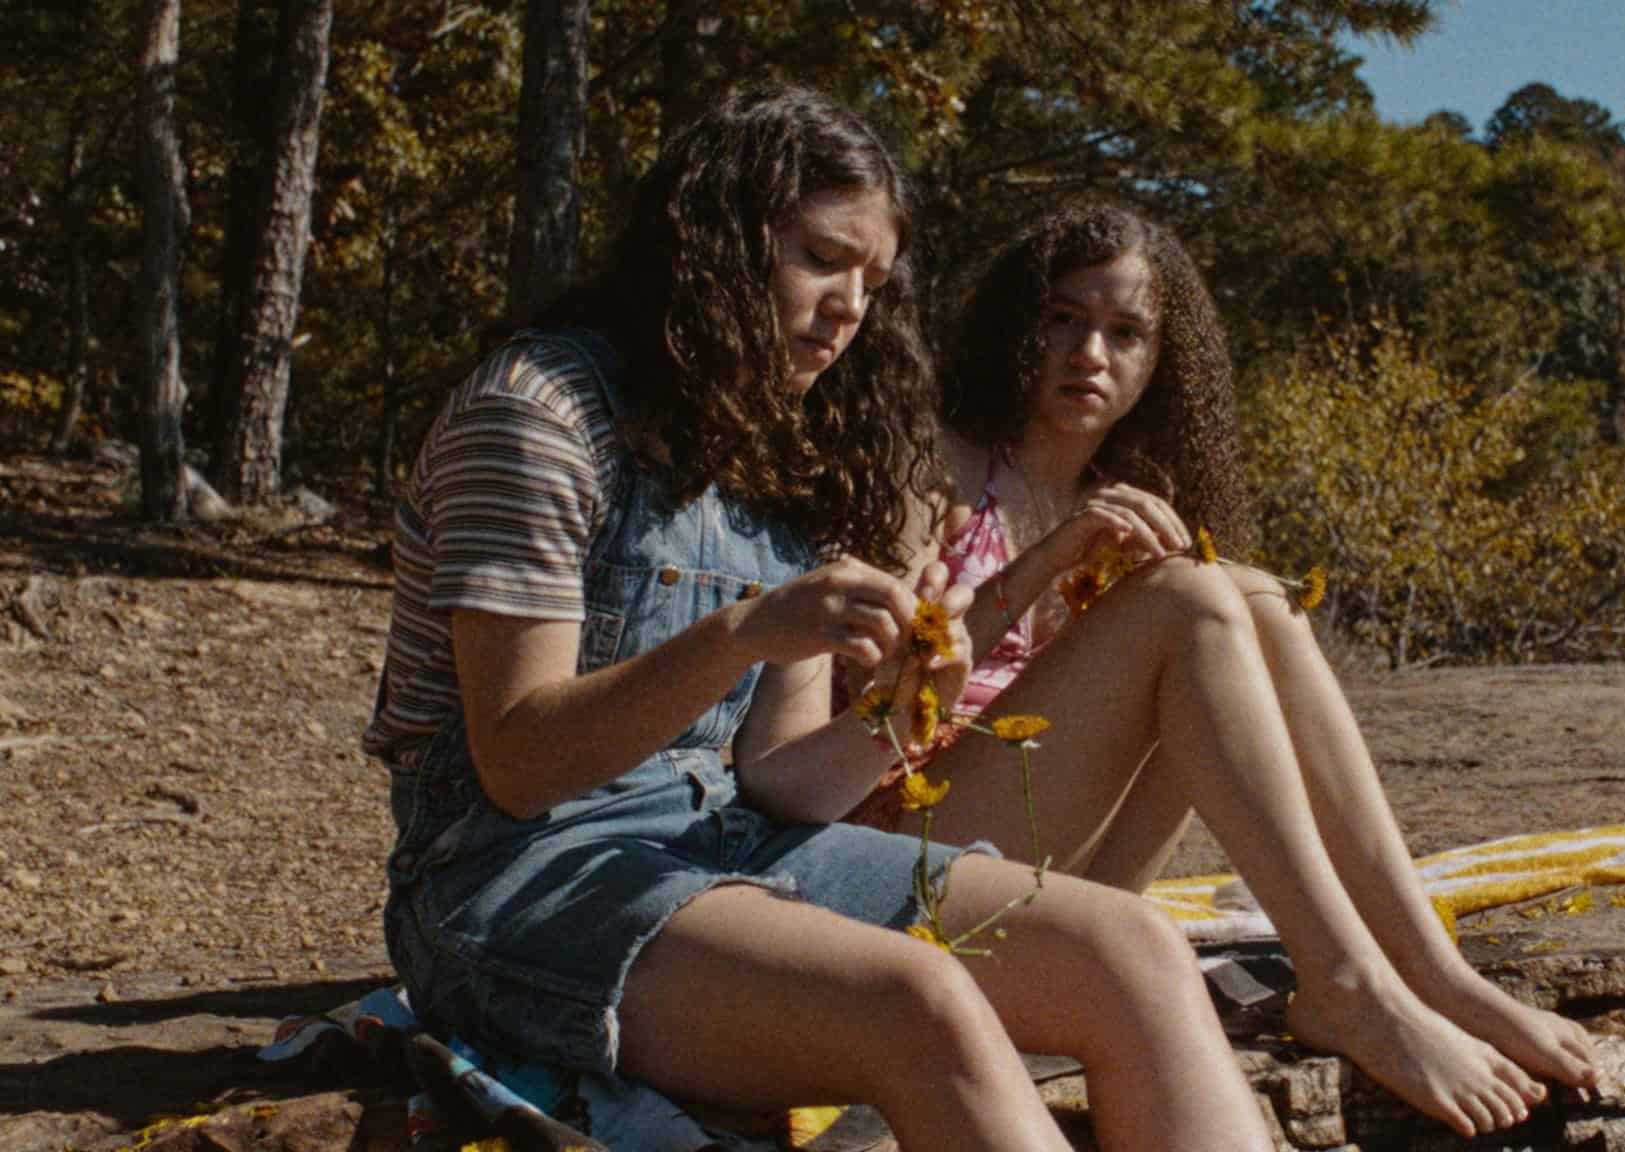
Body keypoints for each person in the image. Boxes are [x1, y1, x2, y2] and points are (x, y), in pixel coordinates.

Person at [365, 89, 1275, 1151]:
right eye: (819, 259)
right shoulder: (534, 417)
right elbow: (518, 764)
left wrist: (903, 710)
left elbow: (784, 780)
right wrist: (744, 634)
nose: (848, 307)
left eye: (871, 281)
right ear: (709, 246)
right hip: (511, 889)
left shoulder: (779, 444)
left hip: (733, 847)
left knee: (1129, 948)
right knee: (916, 1000)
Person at [874, 202, 1602, 1139]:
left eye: (1126, 332)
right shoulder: (934, 464)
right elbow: (880, 686)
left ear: (1160, 363)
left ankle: (1428, 971)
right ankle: (1343, 982)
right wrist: (1049, 563)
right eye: (1064, 318)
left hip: (1065, 875)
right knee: (1194, 597)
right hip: (912, 853)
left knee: (1254, 597)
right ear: (1018, 324)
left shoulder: (1126, 499)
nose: (1089, 353)